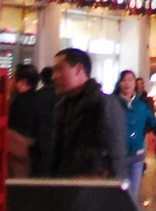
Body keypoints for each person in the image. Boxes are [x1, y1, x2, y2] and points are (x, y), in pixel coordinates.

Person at [49, 47, 127, 181]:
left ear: (79, 69)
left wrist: (114, 190)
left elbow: (116, 154)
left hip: (93, 188)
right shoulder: (61, 106)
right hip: (66, 186)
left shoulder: (104, 104)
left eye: (59, 69)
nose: (54, 77)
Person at [114, 70, 156, 203]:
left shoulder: (142, 106)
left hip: (136, 155)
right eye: (124, 80)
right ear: (119, 83)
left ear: (135, 84)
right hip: (117, 156)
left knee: (133, 194)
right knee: (117, 194)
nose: (127, 83)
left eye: (131, 80)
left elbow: (154, 123)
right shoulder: (111, 104)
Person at [6, 63, 49, 178]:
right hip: (38, 162)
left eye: (12, 78)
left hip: (20, 162)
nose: (9, 81)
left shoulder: (19, 103)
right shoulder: (40, 100)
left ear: (22, 83)